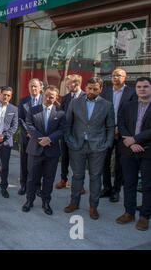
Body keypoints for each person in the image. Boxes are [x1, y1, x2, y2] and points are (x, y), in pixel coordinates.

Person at [64, 77, 115, 220]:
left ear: (101, 89)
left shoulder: (107, 105)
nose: (92, 91)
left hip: (98, 147)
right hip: (77, 146)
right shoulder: (75, 103)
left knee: (95, 177)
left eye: (95, 89)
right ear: (85, 88)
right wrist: (69, 140)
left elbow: (110, 127)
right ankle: (74, 202)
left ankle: (93, 206)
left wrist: (107, 144)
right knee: (77, 176)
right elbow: (67, 124)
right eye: (90, 88)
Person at [22, 86, 66, 215]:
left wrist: (50, 139)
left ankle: (46, 202)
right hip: (35, 149)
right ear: (43, 95)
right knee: (32, 178)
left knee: (49, 179)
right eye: (46, 95)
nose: (48, 98)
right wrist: (41, 138)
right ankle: (29, 200)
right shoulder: (33, 110)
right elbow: (29, 126)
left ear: (56, 98)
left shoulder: (60, 113)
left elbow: (63, 129)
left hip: (51, 152)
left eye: (51, 96)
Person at [116, 77, 151, 231]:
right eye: (139, 87)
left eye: (145, 86)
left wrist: (135, 140)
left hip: (147, 151)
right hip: (128, 151)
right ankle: (129, 212)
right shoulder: (128, 105)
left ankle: (144, 216)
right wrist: (130, 142)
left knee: (148, 186)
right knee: (129, 183)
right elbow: (121, 123)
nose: (142, 89)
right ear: (135, 89)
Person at [100, 68, 137, 203]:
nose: (116, 77)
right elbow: (101, 112)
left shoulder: (132, 93)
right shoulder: (105, 92)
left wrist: (119, 129)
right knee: (105, 161)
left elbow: (132, 115)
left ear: (125, 77)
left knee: (119, 164)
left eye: (119, 75)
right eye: (114, 75)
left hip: (124, 133)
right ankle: (107, 187)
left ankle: (116, 190)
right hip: (106, 131)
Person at [55, 74, 86, 195]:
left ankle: (79, 184)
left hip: (79, 135)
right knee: (65, 158)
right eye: (66, 84)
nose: (67, 86)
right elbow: (61, 114)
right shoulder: (66, 97)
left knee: (78, 160)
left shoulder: (85, 97)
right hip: (65, 133)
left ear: (77, 84)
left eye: (69, 84)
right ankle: (64, 179)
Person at [18, 78, 43, 195]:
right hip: (26, 137)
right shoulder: (23, 101)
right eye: (31, 86)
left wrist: (38, 134)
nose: (33, 88)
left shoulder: (45, 100)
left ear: (40, 87)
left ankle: (37, 186)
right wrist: (29, 131)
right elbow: (20, 119)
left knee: (38, 163)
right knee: (24, 161)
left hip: (40, 137)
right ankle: (24, 184)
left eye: (35, 86)